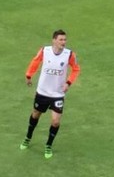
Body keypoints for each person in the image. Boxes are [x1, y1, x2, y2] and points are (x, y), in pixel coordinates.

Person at [19, 29, 81, 159]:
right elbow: (35, 62)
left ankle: (48, 145)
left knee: (55, 121)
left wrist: (68, 83)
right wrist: (29, 75)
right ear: (54, 40)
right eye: (61, 40)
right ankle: (28, 137)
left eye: (65, 40)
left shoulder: (69, 54)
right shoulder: (44, 51)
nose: (63, 42)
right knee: (36, 114)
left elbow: (76, 69)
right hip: (42, 91)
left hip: (58, 94)